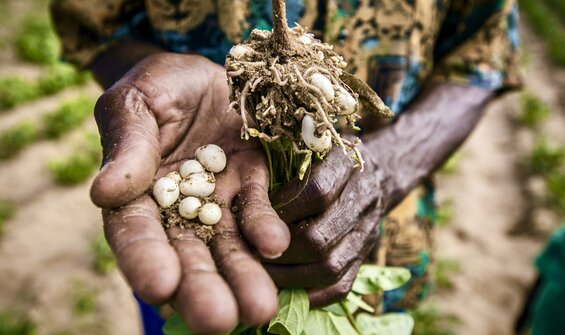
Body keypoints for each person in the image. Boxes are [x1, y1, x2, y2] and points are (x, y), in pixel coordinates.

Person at [50, 0, 521, 334]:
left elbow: (483, 50)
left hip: (375, 231)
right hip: (199, 247)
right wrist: (155, 80)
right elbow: (95, 23)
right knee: (197, 310)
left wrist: (387, 165)